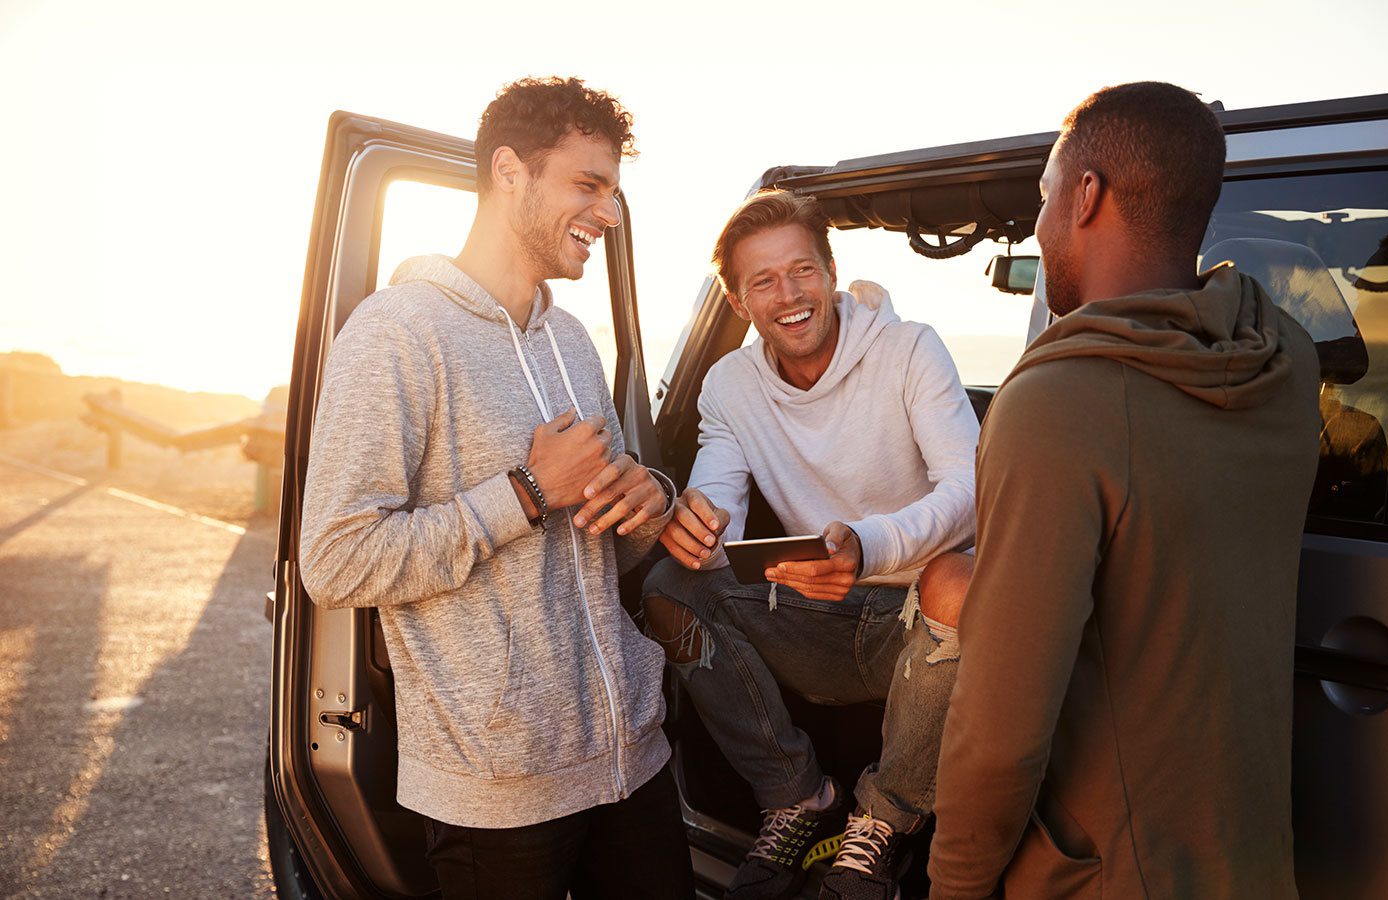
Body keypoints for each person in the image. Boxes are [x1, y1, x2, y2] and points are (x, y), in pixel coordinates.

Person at [298, 76, 693, 900]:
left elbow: (608, 522)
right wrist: (523, 494)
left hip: (631, 758)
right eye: (589, 185)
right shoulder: (397, 333)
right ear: (508, 171)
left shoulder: (575, 341)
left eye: (614, 193)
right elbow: (335, 561)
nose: (609, 214)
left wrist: (650, 498)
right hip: (497, 792)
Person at [927, 81, 1321, 899]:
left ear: (1085, 194)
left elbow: (1000, 732)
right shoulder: (1284, 363)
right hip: (1248, 857)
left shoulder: (1057, 405)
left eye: (1041, 198)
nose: (1038, 226)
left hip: (1107, 873)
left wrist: (954, 883)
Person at [643, 189, 981, 900]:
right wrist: (696, 525)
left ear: (830, 273)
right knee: (670, 588)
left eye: (802, 271)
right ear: (739, 303)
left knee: (960, 579)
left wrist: (867, 545)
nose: (788, 294)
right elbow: (720, 499)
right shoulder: (729, 384)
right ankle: (796, 797)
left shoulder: (909, 348)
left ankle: (880, 827)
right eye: (763, 281)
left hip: (926, 631)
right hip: (814, 619)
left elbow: (971, 490)